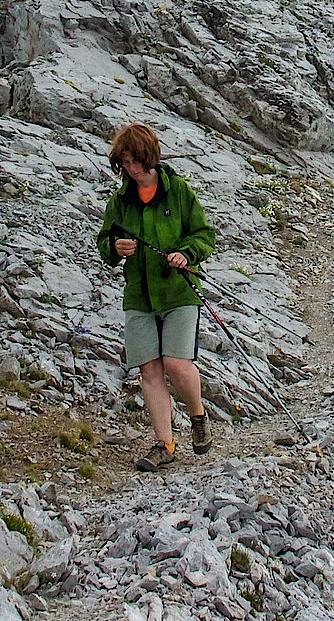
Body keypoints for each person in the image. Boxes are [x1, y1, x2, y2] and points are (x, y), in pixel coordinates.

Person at [96, 122, 218, 471]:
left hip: (179, 292)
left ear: (149, 157)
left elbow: (204, 234)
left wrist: (187, 254)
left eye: (135, 161)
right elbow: (105, 242)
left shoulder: (177, 191)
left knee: (177, 365)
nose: (131, 170)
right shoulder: (120, 201)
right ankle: (164, 444)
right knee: (149, 370)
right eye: (125, 163)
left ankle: (198, 416)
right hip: (139, 296)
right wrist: (115, 248)